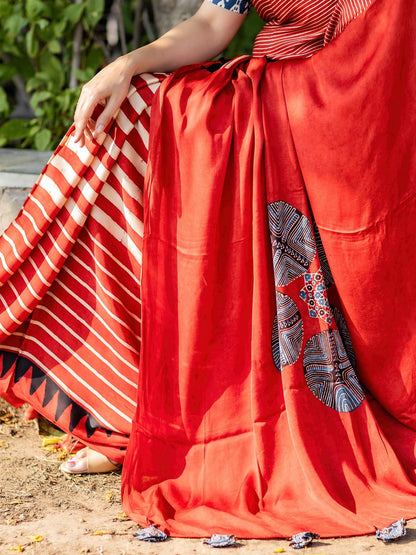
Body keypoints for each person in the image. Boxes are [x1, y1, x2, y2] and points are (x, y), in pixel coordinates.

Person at [1, 0, 416, 540]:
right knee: (133, 113)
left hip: (358, 111)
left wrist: (303, 98)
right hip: (278, 97)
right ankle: (133, 416)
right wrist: (127, 64)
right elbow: (212, 24)